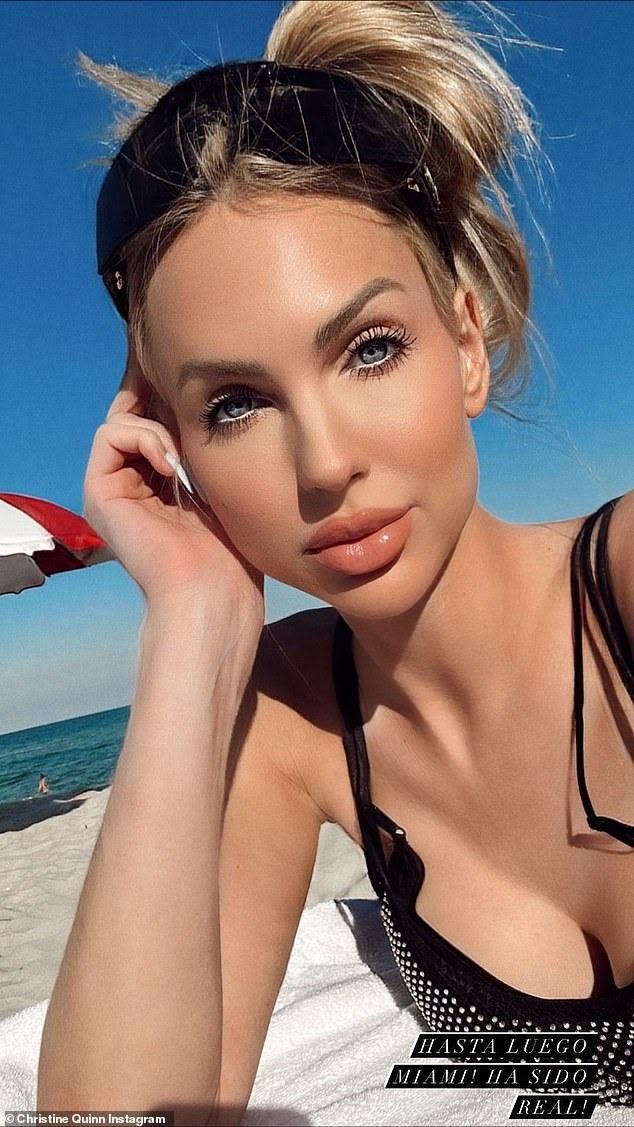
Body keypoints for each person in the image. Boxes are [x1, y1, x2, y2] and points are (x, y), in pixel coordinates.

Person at [37, 2, 633, 1123]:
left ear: (463, 341)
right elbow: (127, 1115)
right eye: (235, 405)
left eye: (369, 348)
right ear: (178, 450)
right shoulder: (293, 717)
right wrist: (194, 623)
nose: (323, 464)